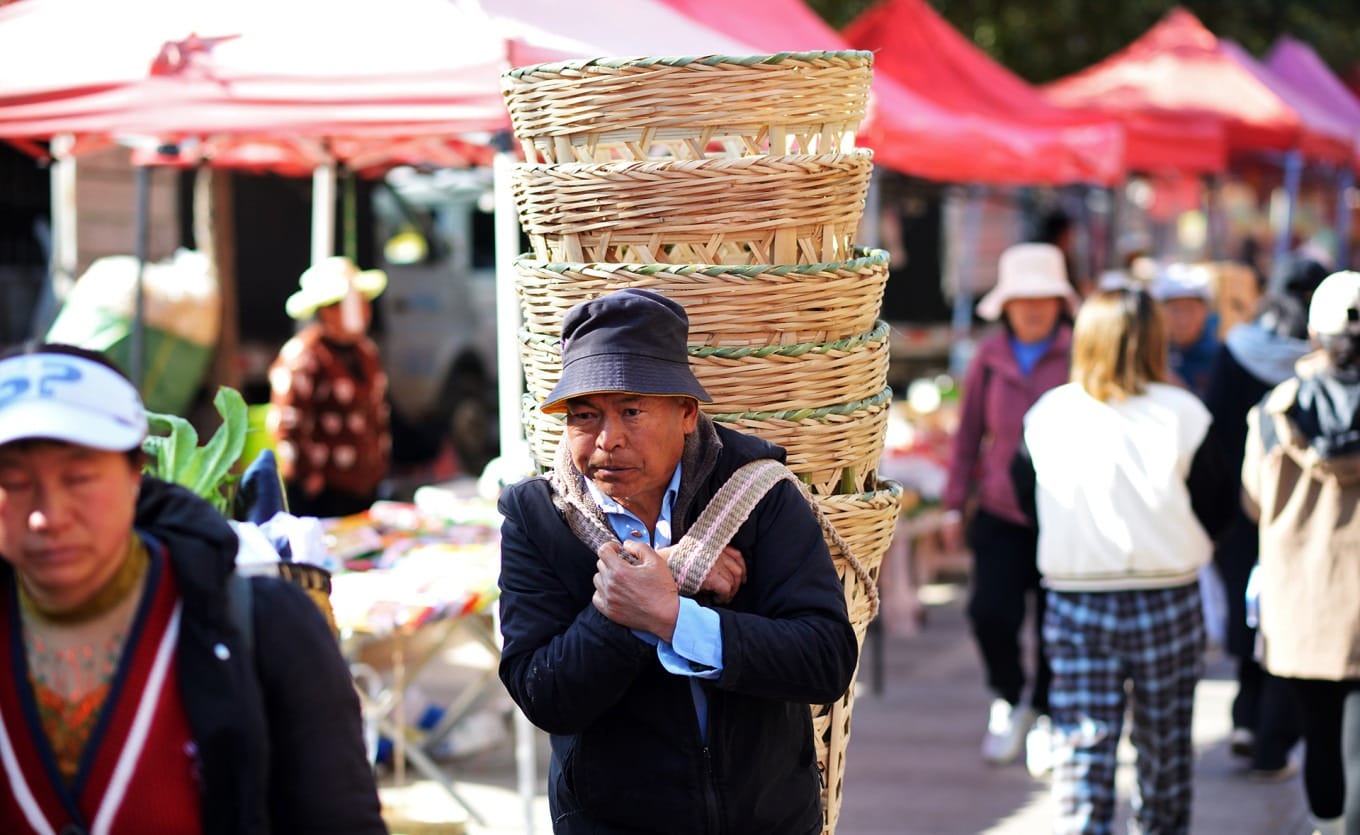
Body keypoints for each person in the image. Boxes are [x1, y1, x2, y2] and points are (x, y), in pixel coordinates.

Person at [496, 289, 858, 834]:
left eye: (631, 411)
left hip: (768, 818)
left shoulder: (755, 492)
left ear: (686, 413)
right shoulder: (538, 517)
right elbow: (544, 695)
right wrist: (653, 585)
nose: (607, 439)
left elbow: (825, 660)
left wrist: (672, 615)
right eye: (585, 415)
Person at [0, 342, 385, 834]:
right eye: (12, 481)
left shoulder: (262, 627)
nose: (46, 516)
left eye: (78, 478)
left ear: (135, 472)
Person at [1013, 288, 1234, 835]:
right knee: (1165, 745)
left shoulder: (1048, 414)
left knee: (1083, 742)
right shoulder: (1184, 414)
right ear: (1153, 340)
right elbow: (1219, 503)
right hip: (1167, 592)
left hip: (1076, 594)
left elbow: (1026, 496)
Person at [941, 242, 1076, 772]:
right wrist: (954, 505)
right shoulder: (989, 360)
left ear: (1059, 302)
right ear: (1007, 306)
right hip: (999, 509)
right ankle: (1008, 696)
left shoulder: (1079, 351)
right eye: (1023, 298)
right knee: (989, 612)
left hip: (1062, 509)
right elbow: (967, 435)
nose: (1034, 307)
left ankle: (1044, 711)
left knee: (1055, 620)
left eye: (1043, 297)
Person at [1242, 270, 1360, 835]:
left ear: (1313, 333)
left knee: (1319, 734)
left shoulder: (1274, 410)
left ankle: (1326, 827)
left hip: (1304, 604)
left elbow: (1253, 499)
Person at [1204, 254, 1327, 777]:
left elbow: (1215, 434)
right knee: (1286, 617)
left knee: (1247, 613)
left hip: (1242, 507)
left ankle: (1246, 720)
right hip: (1304, 514)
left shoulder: (1237, 350)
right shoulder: (1325, 361)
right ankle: (1268, 737)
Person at [268, 255, 392, 518]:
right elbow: (288, 426)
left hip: (365, 488)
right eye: (355, 303)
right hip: (323, 497)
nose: (366, 310)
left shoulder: (366, 352)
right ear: (328, 310)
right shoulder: (303, 356)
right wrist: (310, 480)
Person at [1150, 261, 1220, 400]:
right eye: (1175, 310)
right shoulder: (1149, 353)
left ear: (1205, 311)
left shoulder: (1220, 358)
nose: (1183, 320)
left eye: (1190, 309)